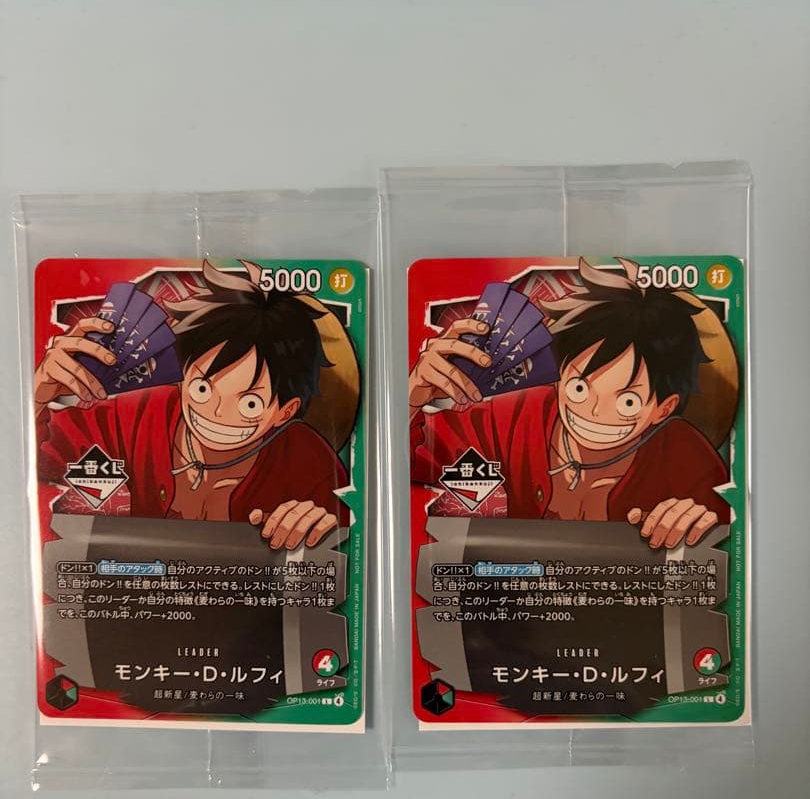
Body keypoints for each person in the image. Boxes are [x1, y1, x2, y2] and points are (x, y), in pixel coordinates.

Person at [409, 257, 731, 550]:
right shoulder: (514, 416)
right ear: (559, 375)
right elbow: (415, 459)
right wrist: (411, 399)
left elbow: (726, 539)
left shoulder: (686, 459)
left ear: (663, 408)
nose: (593, 411)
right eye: (579, 388)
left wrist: (700, 524)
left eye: (628, 402)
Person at [36, 260, 348, 550]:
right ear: (182, 375)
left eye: (250, 404)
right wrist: (38, 395)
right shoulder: (135, 415)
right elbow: (38, 458)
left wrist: (321, 528)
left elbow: (347, 544)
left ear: (285, 411)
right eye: (202, 388)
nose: (216, 412)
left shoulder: (310, 464)